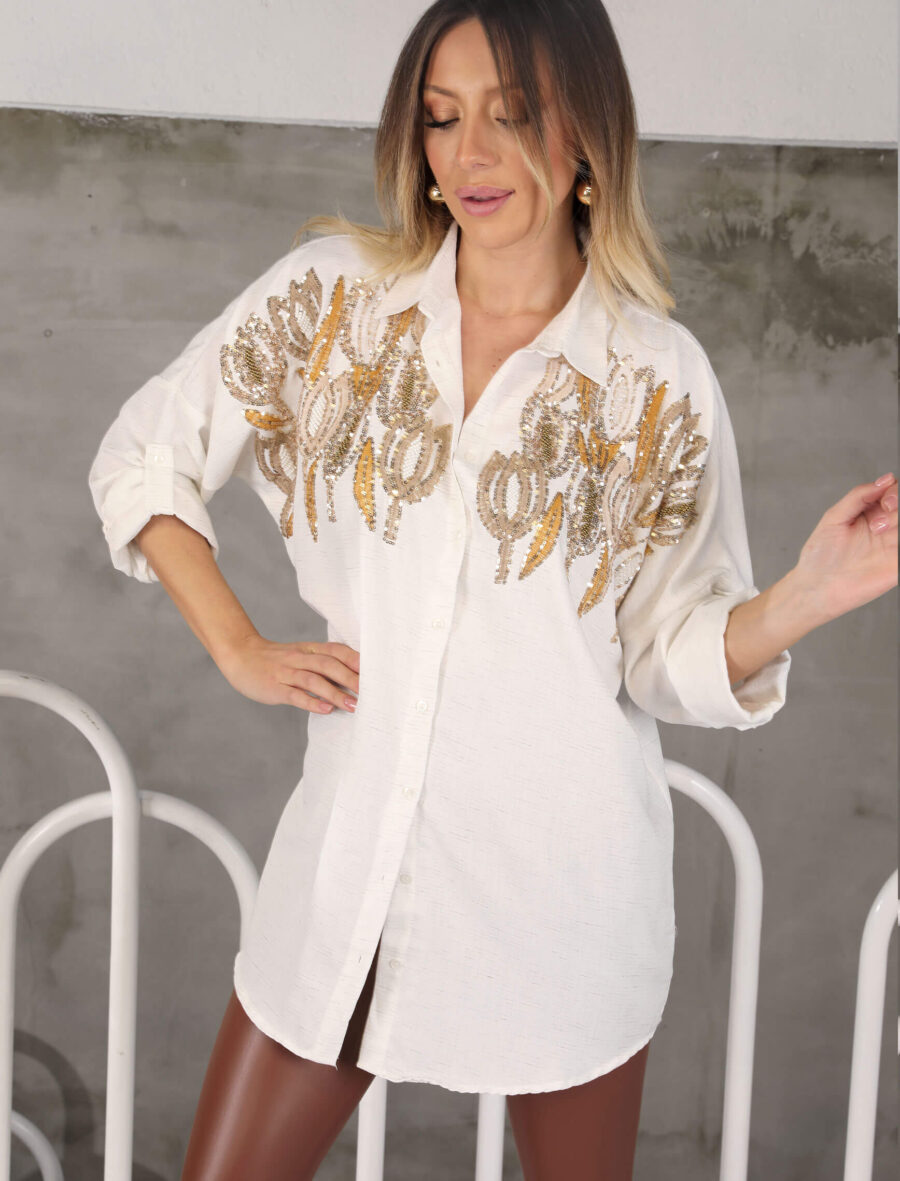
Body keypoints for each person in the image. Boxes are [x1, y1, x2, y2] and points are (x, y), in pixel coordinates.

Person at [87, 1, 898, 1177]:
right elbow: (146, 451)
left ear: (585, 135)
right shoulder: (333, 305)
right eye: (441, 116)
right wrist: (237, 643)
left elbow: (663, 652)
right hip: (347, 873)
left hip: (563, 896)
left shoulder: (654, 378)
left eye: (511, 115)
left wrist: (806, 593)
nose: (470, 154)